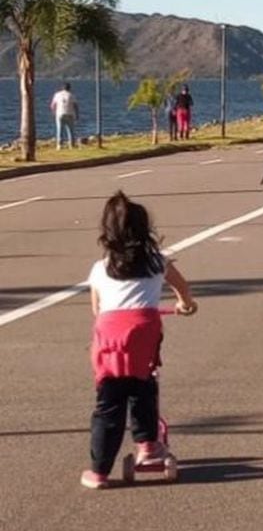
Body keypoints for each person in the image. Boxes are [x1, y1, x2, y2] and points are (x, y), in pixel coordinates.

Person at [81, 192, 197, 489]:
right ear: (145, 229)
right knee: (143, 388)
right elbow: (183, 290)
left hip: (108, 336)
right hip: (143, 333)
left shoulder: (100, 267)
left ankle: (99, 471)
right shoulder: (158, 262)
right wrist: (186, 305)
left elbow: (97, 309)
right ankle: (148, 446)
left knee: (109, 401)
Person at [50, 82, 79, 149]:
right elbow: (75, 106)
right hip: (70, 114)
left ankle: (59, 145)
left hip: (60, 113)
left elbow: (52, 105)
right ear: (69, 88)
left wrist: (54, 113)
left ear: (62, 88)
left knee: (59, 129)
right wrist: (77, 114)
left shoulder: (57, 94)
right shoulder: (71, 95)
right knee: (71, 130)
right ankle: (71, 145)